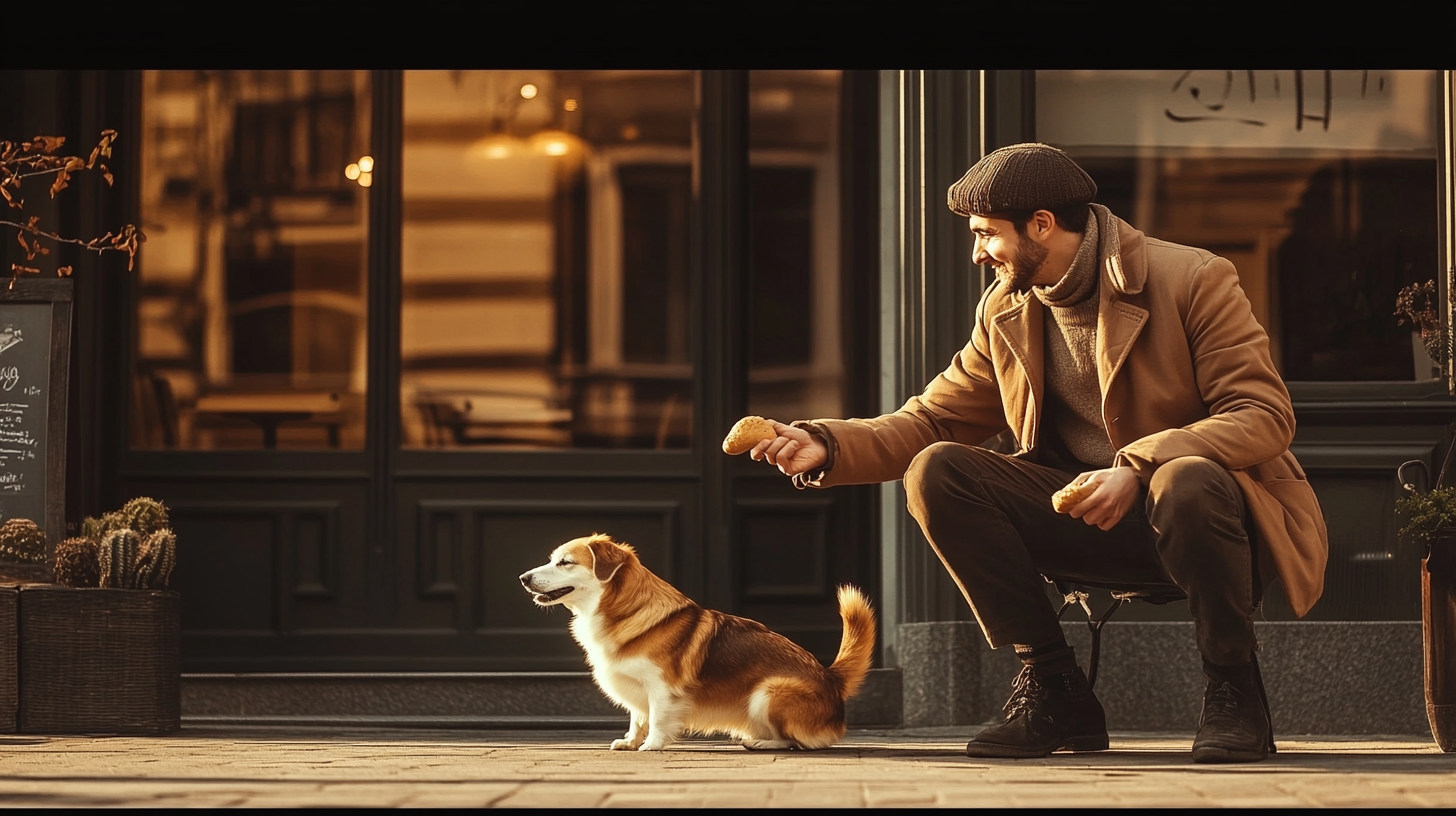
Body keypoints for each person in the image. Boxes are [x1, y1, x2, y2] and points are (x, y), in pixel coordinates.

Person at [735, 143, 1329, 764]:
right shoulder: (1005, 308)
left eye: (987, 235)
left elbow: (1262, 415)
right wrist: (827, 443)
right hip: (1079, 516)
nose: (977, 253)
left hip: (1202, 522)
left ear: (1042, 224)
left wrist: (1136, 466)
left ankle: (1233, 688)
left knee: (1184, 480)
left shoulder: (1193, 278)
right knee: (937, 469)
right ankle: (1054, 687)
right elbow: (934, 417)